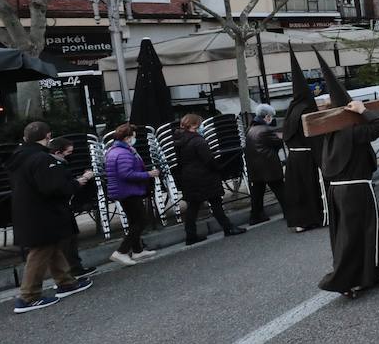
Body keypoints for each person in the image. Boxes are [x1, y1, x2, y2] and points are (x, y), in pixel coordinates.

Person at [314, 53, 379, 297]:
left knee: (349, 235)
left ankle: (370, 273)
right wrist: (364, 110)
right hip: (356, 190)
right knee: (361, 233)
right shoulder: (351, 132)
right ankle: (347, 279)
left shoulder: (329, 134)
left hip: (337, 190)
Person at [8, 122, 95, 313]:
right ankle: (28, 296)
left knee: (52, 246)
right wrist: (73, 184)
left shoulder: (20, 156)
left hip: (28, 211)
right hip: (43, 212)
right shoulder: (41, 158)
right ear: (48, 136)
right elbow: (54, 187)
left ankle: (66, 282)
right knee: (40, 252)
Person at [175, 114, 245, 244]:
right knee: (216, 203)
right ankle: (228, 228)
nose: (201, 127)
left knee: (193, 207)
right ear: (194, 125)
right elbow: (208, 160)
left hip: (189, 177)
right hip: (204, 177)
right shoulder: (198, 141)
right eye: (200, 124)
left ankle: (191, 236)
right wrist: (218, 168)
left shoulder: (180, 140)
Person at [282, 46, 328, 233]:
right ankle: (314, 218)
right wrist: (322, 159)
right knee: (310, 189)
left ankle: (300, 222)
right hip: (307, 157)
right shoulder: (307, 110)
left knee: (298, 191)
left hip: (293, 158)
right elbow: (313, 137)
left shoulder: (291, 109)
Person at [104, 125, 160, 266]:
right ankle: (121, 252)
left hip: (123, 191)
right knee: (141, 221)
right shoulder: (124, 153)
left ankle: (137, 250)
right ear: (127, 138)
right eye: (133, 136)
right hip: (129, 191)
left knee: (134, 221)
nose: (134, 139)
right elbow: (126, 174)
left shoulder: (114, 150)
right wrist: (148, 174)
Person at [47, 137, 96, 279]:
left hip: (63, 206)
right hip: (58, 208)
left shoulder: (59, 163)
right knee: (66, 240)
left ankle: (75, 268)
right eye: (69, 152)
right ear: (58, 152)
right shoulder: (54, 165)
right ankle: (71, 271)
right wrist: (83, 179)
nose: (71, 154)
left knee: (71, 238)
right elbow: (62, 186)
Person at [244, 103, 287, 225]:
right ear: (267, 117)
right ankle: (289, 212)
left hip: (254, 167)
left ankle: (255, 216)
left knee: (257, 193)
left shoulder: (250, 129)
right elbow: (277, 143)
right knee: (280, 190)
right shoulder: (265, 130)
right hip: (269, 167)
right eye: (271, 117)